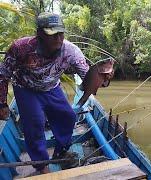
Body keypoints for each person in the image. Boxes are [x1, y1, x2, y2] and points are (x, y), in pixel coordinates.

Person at [0, 12, 113, 174]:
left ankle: (61, 151)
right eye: (53, 35)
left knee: (68, 117)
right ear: (39, 34)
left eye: (61, 33)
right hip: (26, 89)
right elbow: (3, 75)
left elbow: (88, 78)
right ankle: (42, 166)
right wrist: (1, 102)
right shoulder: (20, 48)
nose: (59, 39)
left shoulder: (71, 51)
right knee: (34, 126)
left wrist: (105, 79)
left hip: (52, 88)